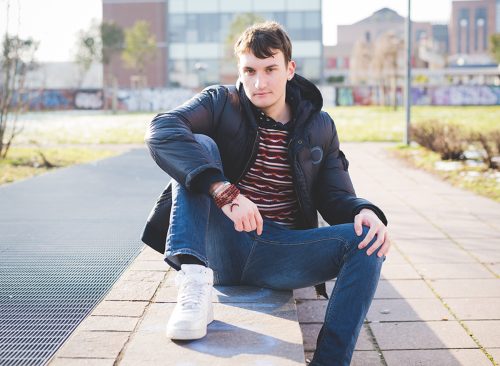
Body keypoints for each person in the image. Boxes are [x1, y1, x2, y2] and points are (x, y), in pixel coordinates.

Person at [142, 21, 390, 366]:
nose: (259, 83)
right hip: (222, 243)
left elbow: (335, 194)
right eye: (250, 70)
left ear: (290, 69)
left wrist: (362, 211)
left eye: (270, 69)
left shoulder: (320, 126)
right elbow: (161, 130)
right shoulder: (220, 102)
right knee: (197, 144)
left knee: (368, 240)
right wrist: (224, 190)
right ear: (239, 71)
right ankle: (193, 282)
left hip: (282, 252)